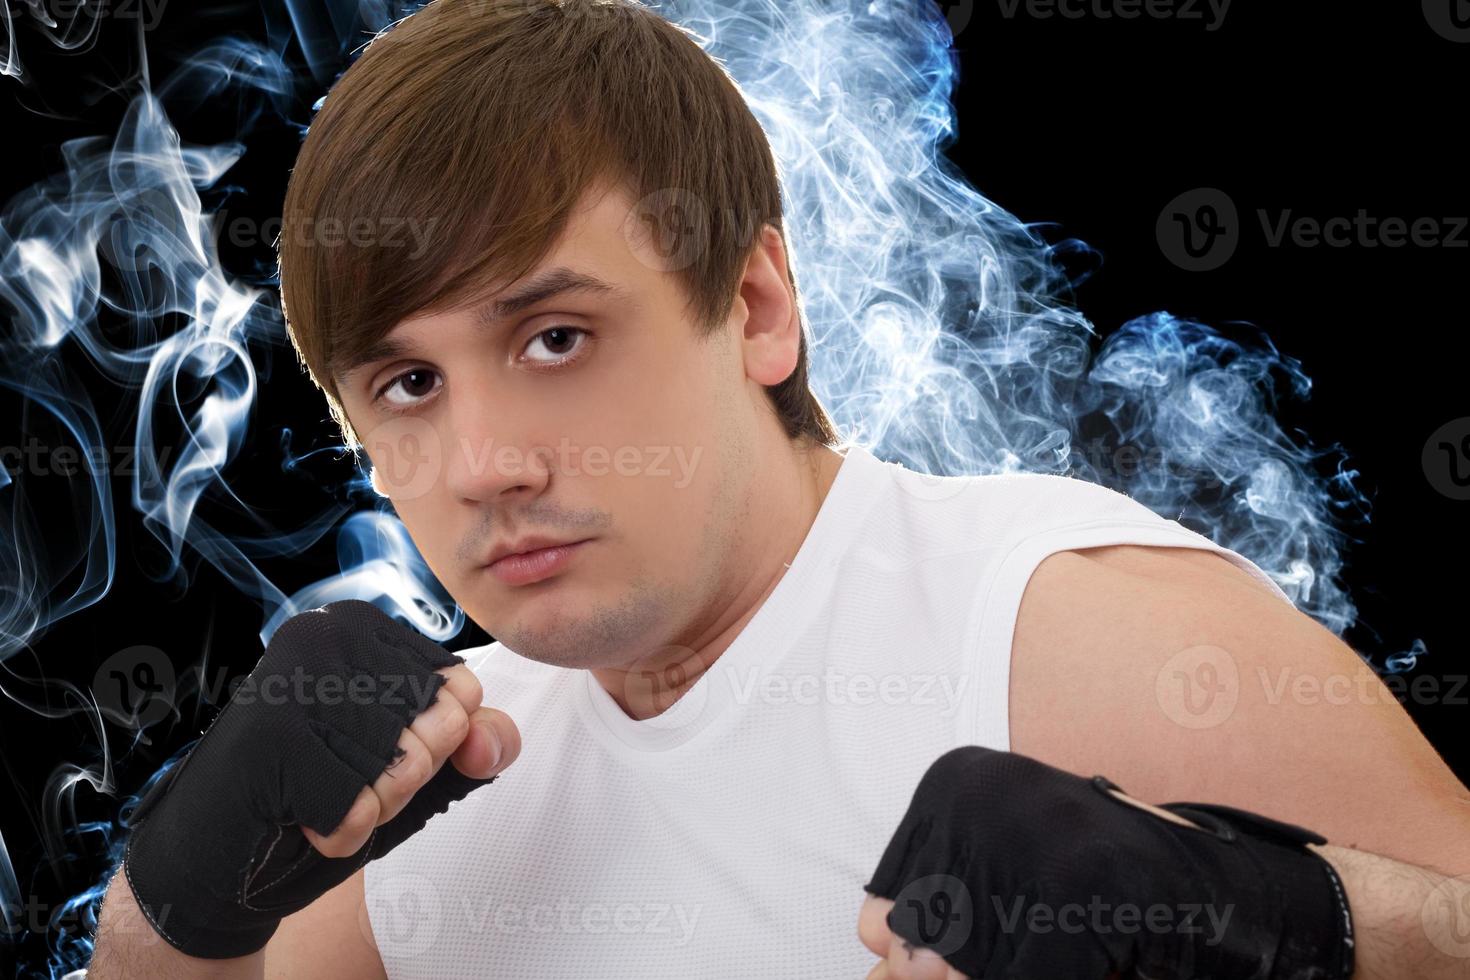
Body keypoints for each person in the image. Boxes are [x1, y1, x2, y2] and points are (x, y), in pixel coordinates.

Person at [89, 1, 1470, 977]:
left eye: (554, 338)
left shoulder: (1053, 630)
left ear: (753, 306)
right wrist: (180, 904)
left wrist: (1279, 926)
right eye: (406, 385)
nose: (483, 464)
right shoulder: (447, 766)